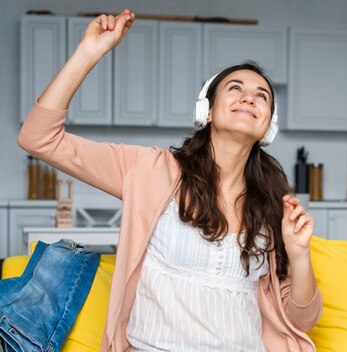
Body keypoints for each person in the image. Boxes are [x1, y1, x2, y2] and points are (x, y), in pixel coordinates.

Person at [18, 10, 322, 352]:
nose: (249, 98)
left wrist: (299, 255)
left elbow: (300, 320)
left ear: (269, 125)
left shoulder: (273, 202)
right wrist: (89, 53)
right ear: (206, 112)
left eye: (262, 95)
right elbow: (38, 137)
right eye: (234, 88)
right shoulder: (151, 169)